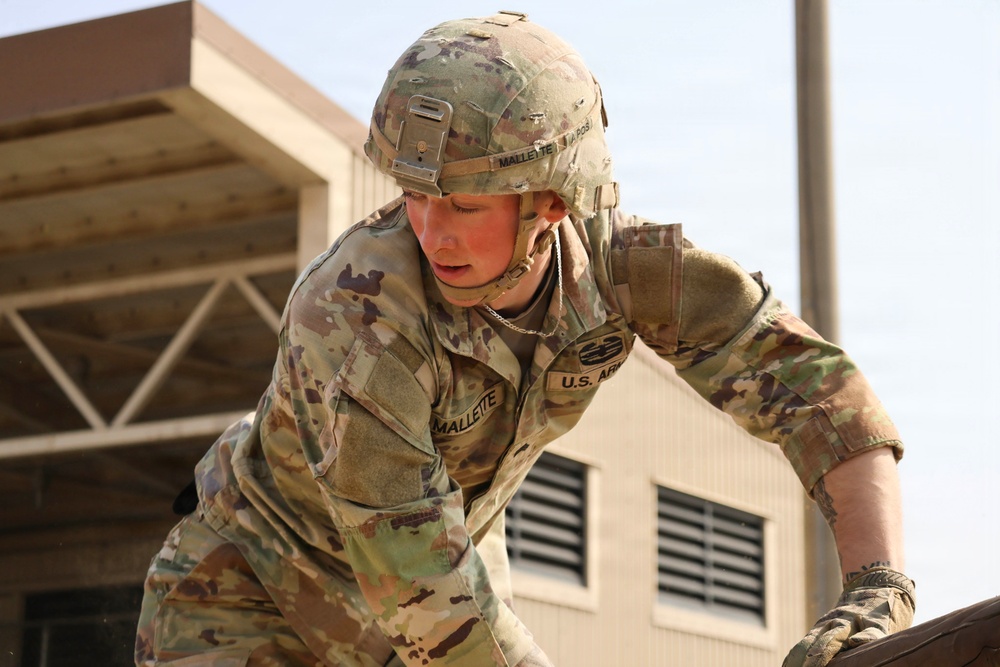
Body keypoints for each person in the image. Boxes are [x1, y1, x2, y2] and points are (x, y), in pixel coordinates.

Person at [135, 11, 914, 667]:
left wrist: (877, 584)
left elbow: (816, 392)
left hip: (435, 603)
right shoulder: (352, 317)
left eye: (466, 204)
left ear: (553, 201)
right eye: (415, 195)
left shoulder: (625, 267)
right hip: (246, 599)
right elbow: (421, 584)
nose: (432, 230)